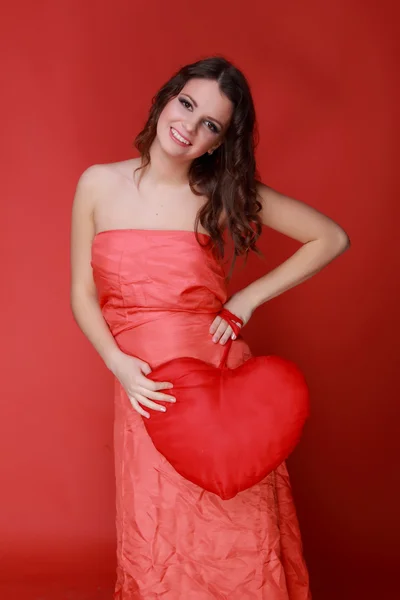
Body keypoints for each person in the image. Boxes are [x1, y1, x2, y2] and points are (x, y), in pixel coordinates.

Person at [70, 56, 349, 599]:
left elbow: (330, 237)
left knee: (232, 529)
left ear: (217, 143)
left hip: (215, 379)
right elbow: (82, 293)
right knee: (155, 528)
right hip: (141, 383)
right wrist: (117, 363)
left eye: (211, 125)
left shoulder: (219, 195)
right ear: (166, 100)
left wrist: (246, 298)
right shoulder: (97, 185)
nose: (190, 126)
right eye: (188, 105)